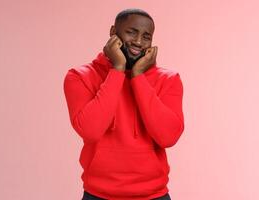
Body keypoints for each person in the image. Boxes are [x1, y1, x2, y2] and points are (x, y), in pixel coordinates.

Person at [64, 8, 184, 200]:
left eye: (146, 36)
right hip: (98, 195)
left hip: (154, 195)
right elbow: (91, 130)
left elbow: (168, 137)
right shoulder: (80, 77)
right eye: (131, 32)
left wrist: (138, 77)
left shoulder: (168, 80)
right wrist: (117, 70)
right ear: (113, 32)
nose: (138, 42)